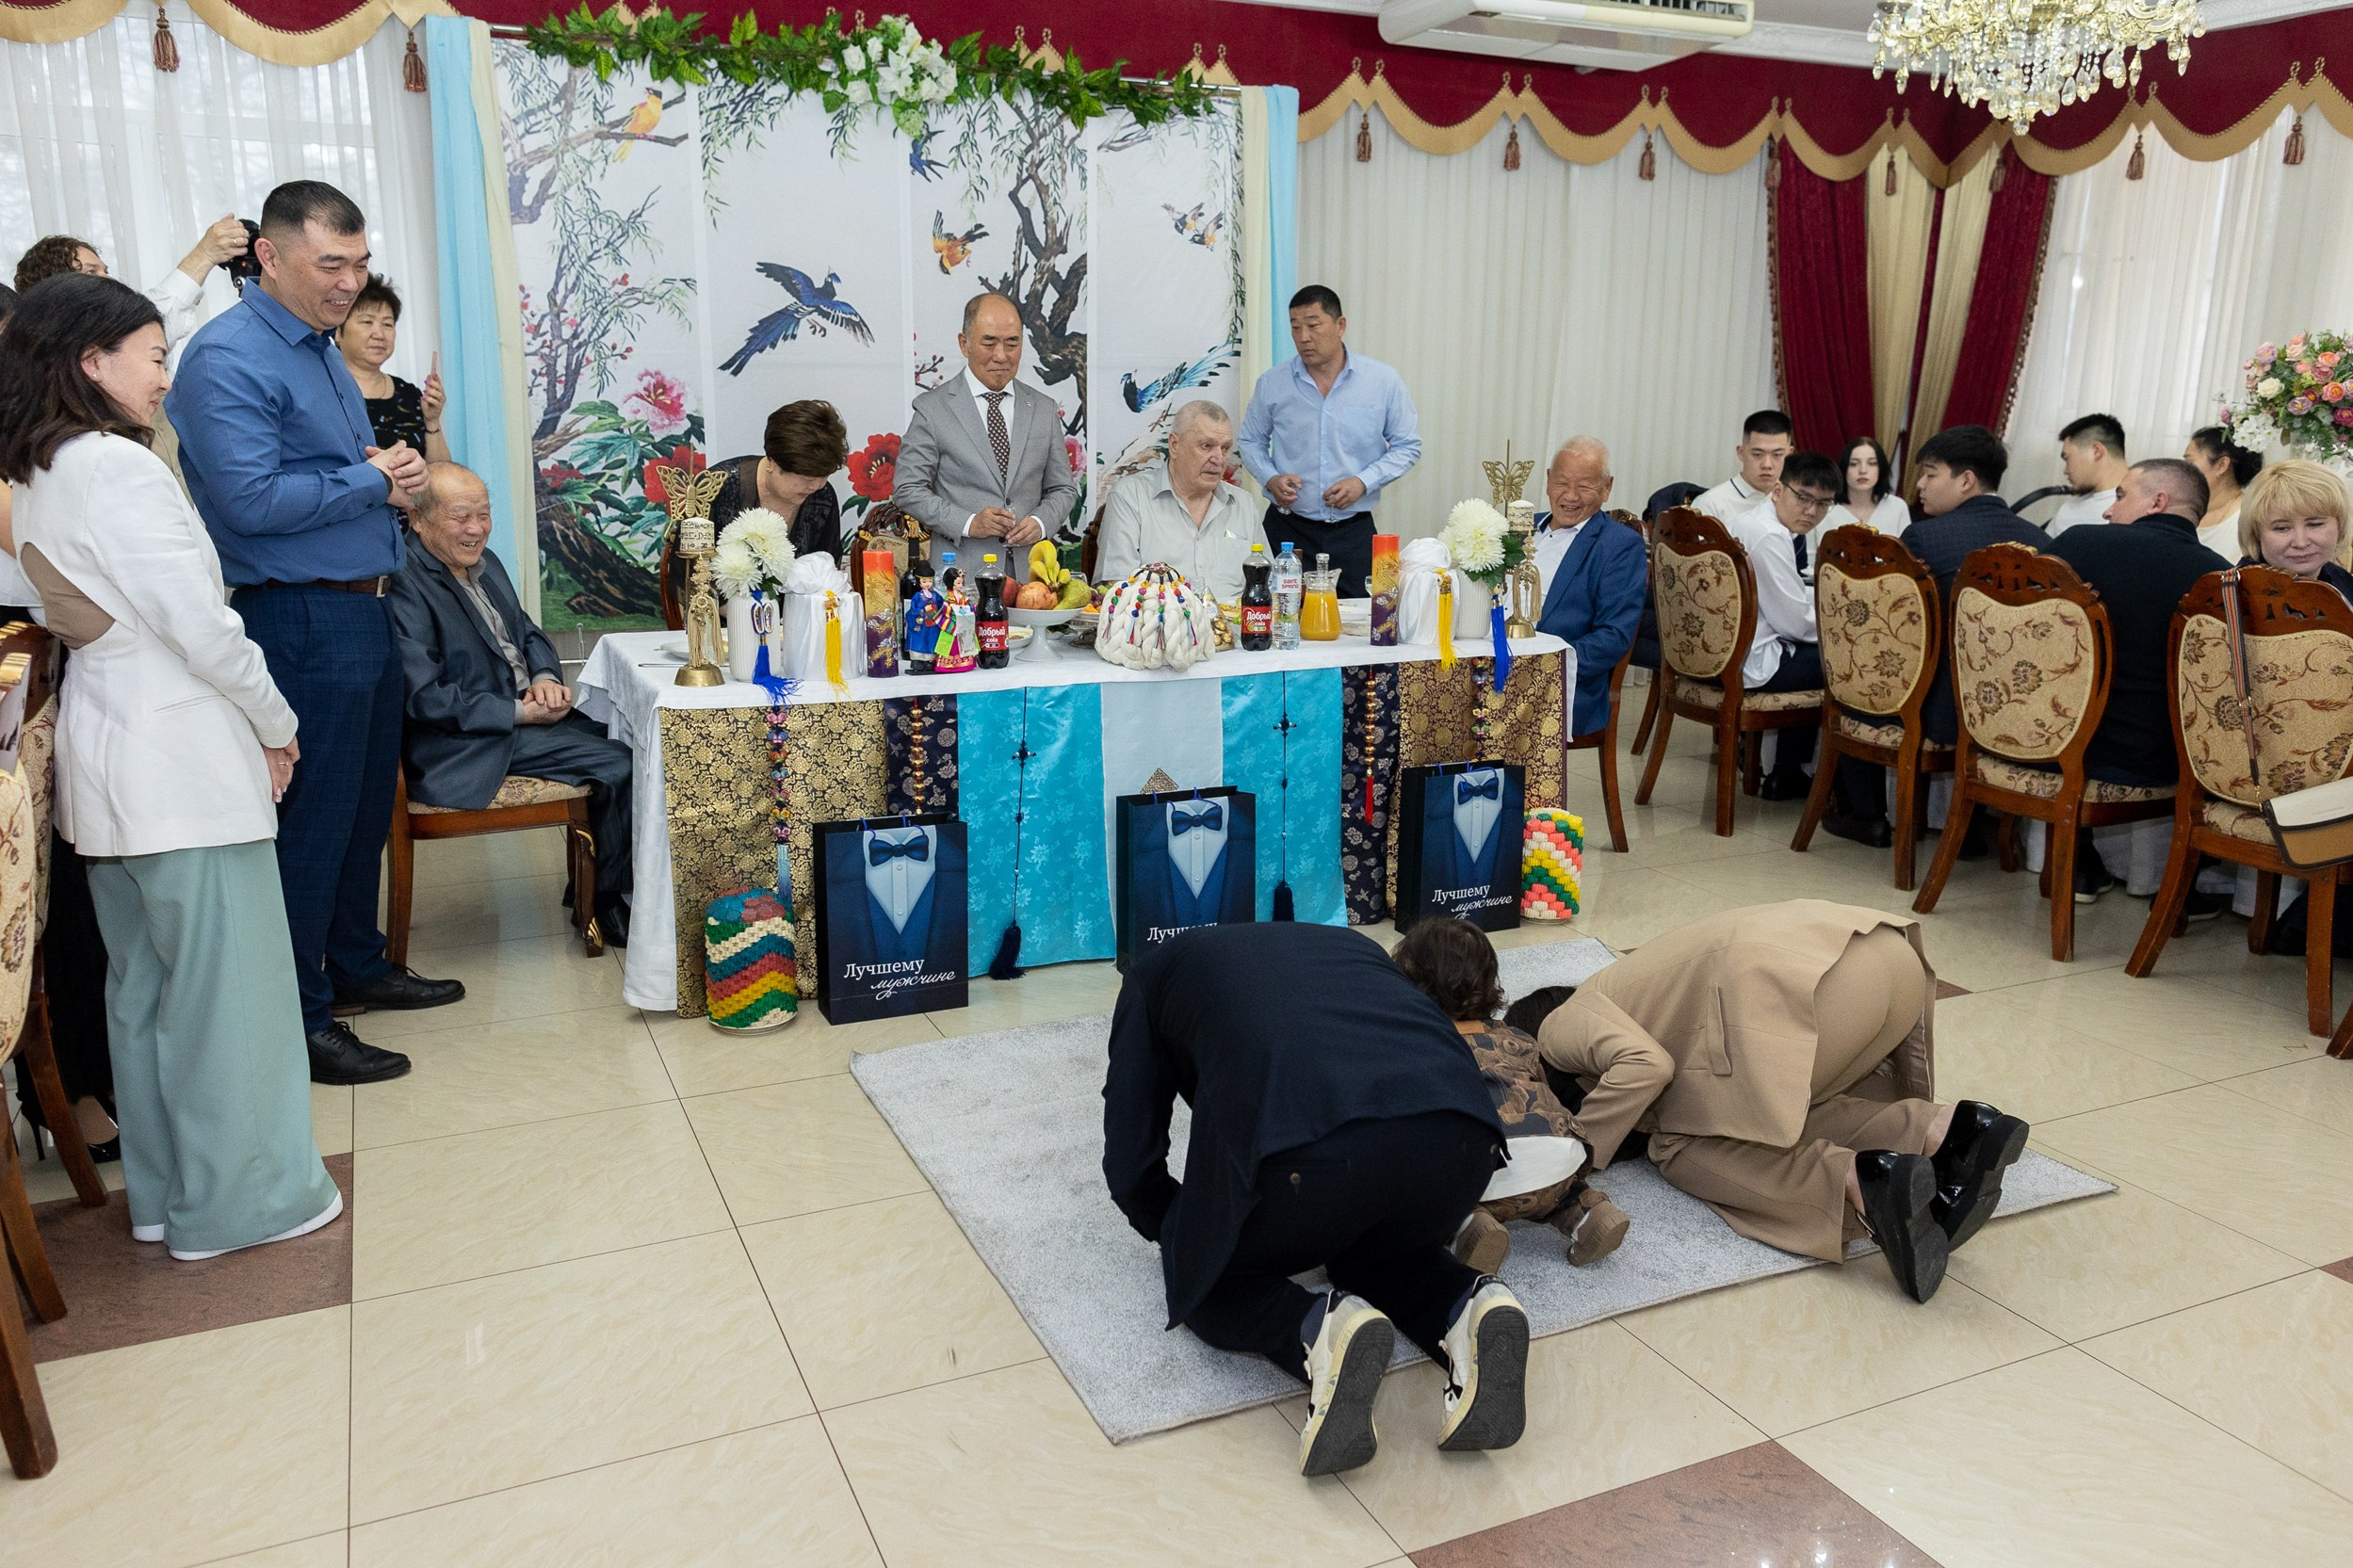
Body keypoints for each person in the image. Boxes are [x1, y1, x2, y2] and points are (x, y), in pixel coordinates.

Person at [0, 273, 342, 1260]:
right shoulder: (117, 468)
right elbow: (202, 626)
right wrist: (275, 723)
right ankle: (242, 1203)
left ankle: (162, 1196)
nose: (165, 375)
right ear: (91, 362)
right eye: (153, 355)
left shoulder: (41, 468)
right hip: (180, 757)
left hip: (112, 761)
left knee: (146, 999)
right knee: (228, 1000)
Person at [166, 180, 463, 1089]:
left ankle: (357, 963)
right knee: (314, 821)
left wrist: (396, 475)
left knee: (363, 807)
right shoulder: (227, 357)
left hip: (364, 602)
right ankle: (304, 1016)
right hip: (300, 611)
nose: (349, 283)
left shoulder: (319, 351)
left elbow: (344, 470)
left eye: (360, 263)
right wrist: (374, 483)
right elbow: (250, 503)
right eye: (330, 264)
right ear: (269, 256)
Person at [1102, 921, 1528, 1476]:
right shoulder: (1355, 946)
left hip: (1314, 1155)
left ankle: (1318, 1328)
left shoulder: (1150, 974)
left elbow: (1130, 1159)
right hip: (1464, 1139)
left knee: (1207, 1285)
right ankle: (1469, 1305)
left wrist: (1182, 1233)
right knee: (1378, 1253)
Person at [1530, 899, 2030, 1303]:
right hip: (1891, 956)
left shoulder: (1557, 1028)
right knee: (1794, 1109)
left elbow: (1646, 1068)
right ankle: (1951, 1130)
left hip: (1810, 992)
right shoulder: (1634, 990)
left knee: (1681, 1150)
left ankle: (1861, 1182)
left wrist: (1577, 1157)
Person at [390, 462, 634, 946]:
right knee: (620, 764)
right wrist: (520, 712)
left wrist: (543, 676)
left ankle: (590, 886)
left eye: (484, 514)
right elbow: (425, 697)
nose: (477, 528)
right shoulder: (403, 581)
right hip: (463, 743)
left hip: (519, 716)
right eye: (461, 517)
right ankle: (606, 905)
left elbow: (527, 631)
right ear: (418, 519)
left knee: (629, 734)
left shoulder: (487, 561)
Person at [1390, 919, 1631, 1273]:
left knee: (1418, 1184)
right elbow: (1542, 1091)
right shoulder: (1517, 1037)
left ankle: (1470, 1225)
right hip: (1558, 1158)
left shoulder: (1412, 1046)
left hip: (1480, 1172)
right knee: (1559, 1192)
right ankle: (1590, 1213)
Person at [2044, 458, 2230, 901]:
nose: (2109, 510)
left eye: (2122, 496)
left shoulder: (2079, 544)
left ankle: (2082, 867)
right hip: (2163, 758)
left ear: (2158, 501)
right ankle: (2185, 888)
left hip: (2047, 740)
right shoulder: (2219, 577)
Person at [1237, 285, 1421, 598]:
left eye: (1313, 324)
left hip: (1355, 532)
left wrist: (1363, 482)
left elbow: (1408, 445)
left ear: (1340, 325)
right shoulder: (1272, 383)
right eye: (1295, 327)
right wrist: (1271, 477)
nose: (1303, 337)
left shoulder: (1381, 381)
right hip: (1287, 532)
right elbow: (1250, 440)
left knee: (1367, 623)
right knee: (1282, 618)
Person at [895, 293, 1078, 582]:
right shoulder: (933, 409)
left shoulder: (1043, 408)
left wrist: (1041, 524)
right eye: (989, 342)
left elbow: (1063, 489)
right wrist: (969, 523)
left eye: (1012, 343)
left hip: (1031, 581)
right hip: (961, 581)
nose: (1001, 355)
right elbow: (908, 488)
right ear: (964, 343)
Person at [1899, 425, 2051, 745]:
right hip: (2022, 714)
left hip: (1940, 709)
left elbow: (1900, 630)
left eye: (1930, 475)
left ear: (1966, 480)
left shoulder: (1923, 537)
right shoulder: (2044, 542)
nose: (1919, 485)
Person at [1726, 448, 1841, 800]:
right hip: (1751, 662)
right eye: (1803, 497)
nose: (1811, 511)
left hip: (1722, 653)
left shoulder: (1750, 521)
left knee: (1817, 653)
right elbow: (1794, 624)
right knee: (1843, 665)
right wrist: (1838, 626)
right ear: (1779, 489)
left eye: (1823, 504)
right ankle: (1794, 774)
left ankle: (1787, 771)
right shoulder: (1771, 536)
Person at [1532, 436, 1647, 736]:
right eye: (1561, 483)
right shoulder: (1522, 528)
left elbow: (1614, 636)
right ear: (1547, 481)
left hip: (1557, 684)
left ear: (1606, 488)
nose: (1570, 496)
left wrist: (1543, 663)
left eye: (1584, 486)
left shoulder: (1619, 545)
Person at [692, 399, 849, 616]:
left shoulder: (823, 497)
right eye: (806, 478)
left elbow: (827, 571)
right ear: (773, 462)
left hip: (796, 629)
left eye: (825, 475)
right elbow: (687, 577)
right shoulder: (717, 487)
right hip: (722, 629)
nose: (817, 485)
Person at [1095, 399, 1264, 598]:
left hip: (1235, 627)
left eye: (1225, 448)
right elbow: (1118, 589)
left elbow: (1266, 584)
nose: (1218, 459)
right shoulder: (1131, 497)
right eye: (1206, 446)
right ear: (1175, 445)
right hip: (1157, 624)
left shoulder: (1243, 504)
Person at [13, 217, 251, 351]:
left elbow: (159, 312)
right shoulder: (58, 358)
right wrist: (205, 254)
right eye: (91, 272)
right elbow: (159, 312)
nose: (107, 280)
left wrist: (206, 255)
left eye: (105, 271)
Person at [334, 275, 449, 464]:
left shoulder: (409, 394)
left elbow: (440, 472)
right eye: (367, 322)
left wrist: (432, 420)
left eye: (387, 324)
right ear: (338, 331)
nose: (379, 334)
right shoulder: (325, 390)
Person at [2238, 458, 2353, 603]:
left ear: (2340, 525)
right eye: (2282, 528)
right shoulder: (2236, 598)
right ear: (2256, 533)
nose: (2301, 542)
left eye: (2315, 525)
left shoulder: (2343, 582)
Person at [1691, 410, 1793, 522]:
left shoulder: (1799, 503)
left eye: (1777, 455)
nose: (1767, 465)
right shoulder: (1710, 505)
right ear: (1741, 453)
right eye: (1758, 454)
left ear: (1790, 454)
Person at [2188, 424, 2264, 559]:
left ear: (2222, 465)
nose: (2182, 469)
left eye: (2189, 461)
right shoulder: (2181, 509)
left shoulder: (2251, 517)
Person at [2048, 412, 2129, 534]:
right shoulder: (2067, 510)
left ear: (2096, 451)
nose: (2065, 470)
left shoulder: (2139, 508)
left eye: (2067, 458)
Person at [1830, 435, 1909, 534]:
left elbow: (1906, 548)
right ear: (1844, 468)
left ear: (1880, 469)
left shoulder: (1897, 507)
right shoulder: (1826, 508)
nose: (1863, 470)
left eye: (1872, 463)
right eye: (1854, 464)